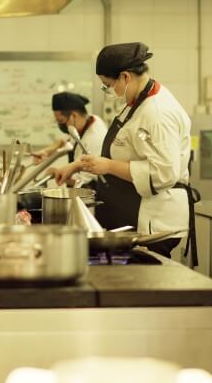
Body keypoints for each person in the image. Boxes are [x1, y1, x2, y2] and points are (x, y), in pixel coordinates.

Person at [70, 42, 194, 259]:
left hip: (155, 220)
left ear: (125, 77)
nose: (109, 92)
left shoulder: (157, 113)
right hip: (138, 212)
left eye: (108, 85)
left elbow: (163, 173)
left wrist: (108, 166)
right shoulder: (137, 103)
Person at [40, 92, 106, 187]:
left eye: (61, 121)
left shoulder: (95, 138)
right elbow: (65, 139)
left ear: (74, 116)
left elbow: (85, 183)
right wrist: (47, 151)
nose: (61, 125)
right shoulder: (88, 119)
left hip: (91, 192)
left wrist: (57, 174)